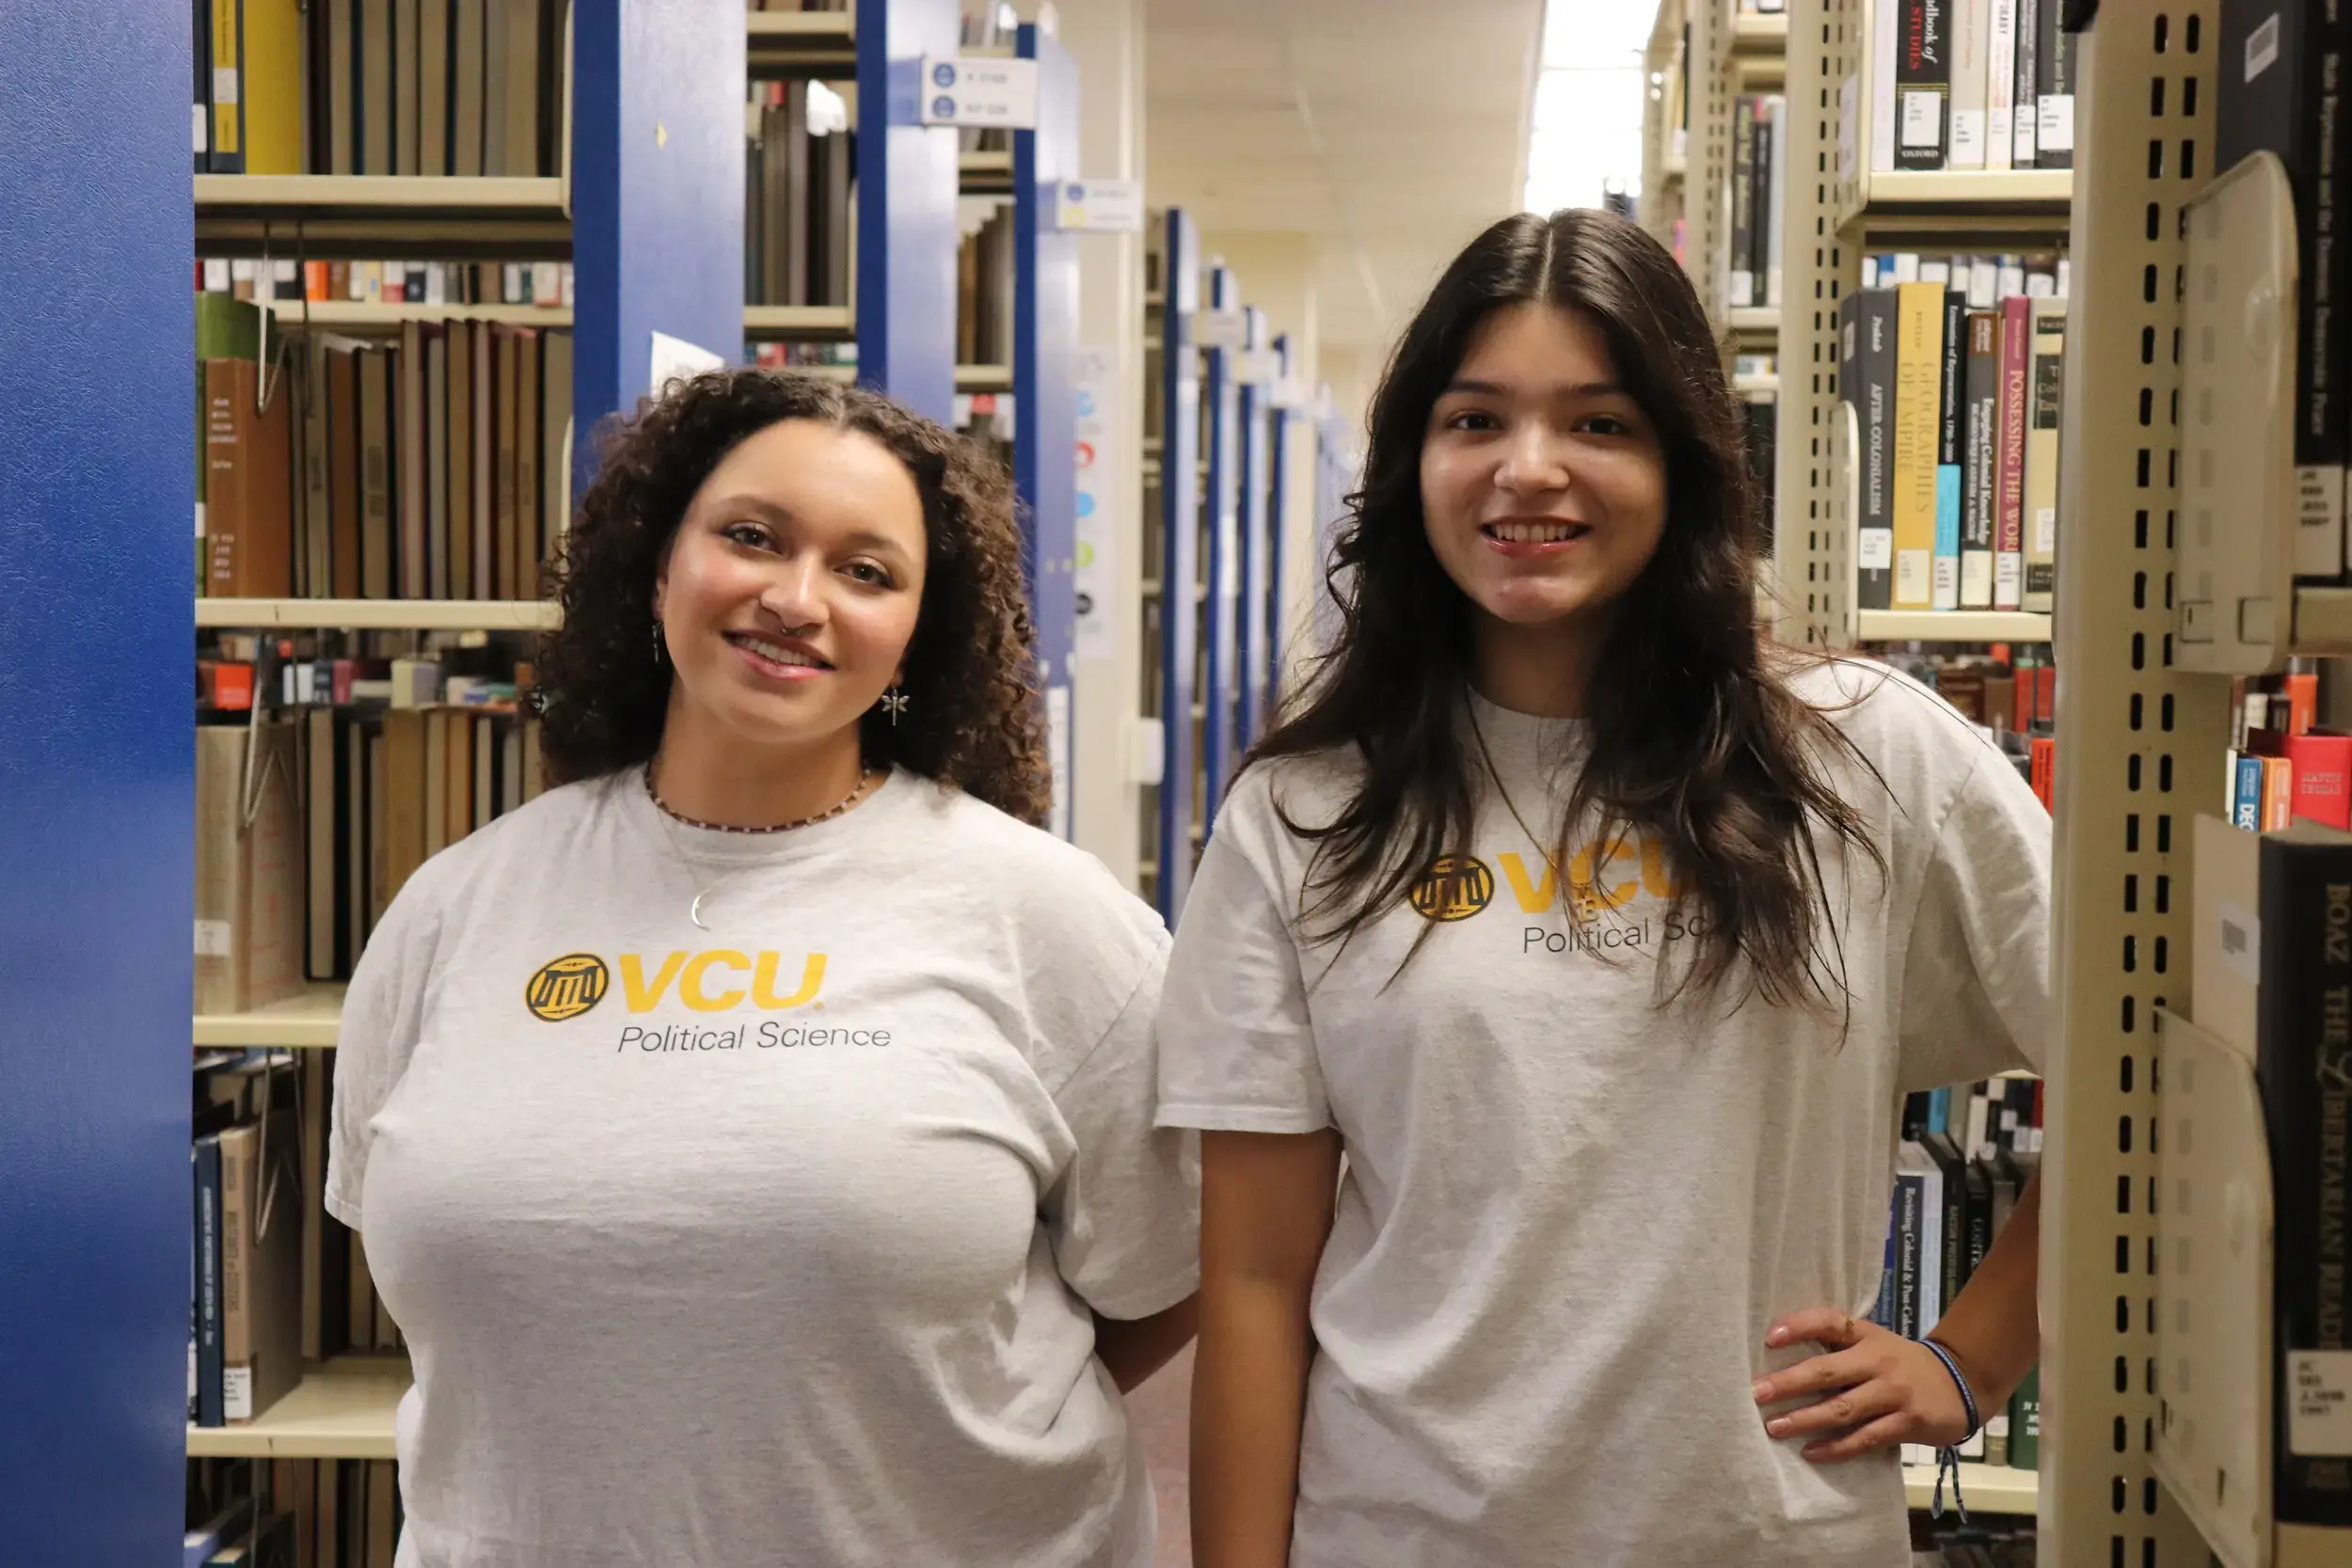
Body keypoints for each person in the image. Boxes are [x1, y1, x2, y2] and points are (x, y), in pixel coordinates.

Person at [1157, 208, 2048, 1568]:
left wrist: (1975, 1354)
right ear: (1413, 462)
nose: (1529, 471)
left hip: (1766, 1529)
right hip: (1403, 1530)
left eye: (1599, 423)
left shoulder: (1870, 752)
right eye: (1475, 421)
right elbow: (1258, 1279)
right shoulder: (1305, 811)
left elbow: (2143, 1061)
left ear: (1683, 461)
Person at [326, 370, 1200, 1568]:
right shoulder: (457, 906)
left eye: (867, 570)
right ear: (657, 566)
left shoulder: (1046, 916)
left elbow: (1170, 1274)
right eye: (751, 538)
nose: (798, 598)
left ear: (914, 633)